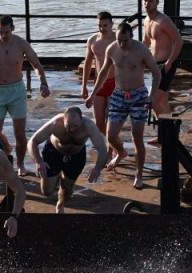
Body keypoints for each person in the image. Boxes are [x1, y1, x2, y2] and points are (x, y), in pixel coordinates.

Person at [85, 22, 161, 190]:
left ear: (131, 37)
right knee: (111, 136)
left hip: (139, 96)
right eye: (119, 40)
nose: (122, 44)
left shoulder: (141, 50)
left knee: (137, 136)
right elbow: (103, 73)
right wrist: (93, 93)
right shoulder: (112, 48)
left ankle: (139, 174)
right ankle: (121, 152)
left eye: (125, 41)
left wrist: (151, 96)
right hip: (119, 94)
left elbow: (157, 73)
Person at [0, 15, 50, 176]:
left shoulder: (21, 44)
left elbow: (37, 65)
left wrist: (43, 83)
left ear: (12, 28)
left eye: (6, 32)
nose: (3, 35)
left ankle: (20, 165)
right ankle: (3, 155)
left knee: (20, 132)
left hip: (16, 91)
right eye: (0, 32)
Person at [27, 106, 108, 213]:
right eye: (69, 126)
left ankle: (60, 205)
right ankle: (57, 176)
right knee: (47, 192)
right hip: (54, 153)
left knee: (67, 190)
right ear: (63, 120)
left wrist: (97, 168)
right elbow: (32, 141)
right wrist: (39, 161)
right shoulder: (56, 123)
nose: (72, 129)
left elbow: (102, 149)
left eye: (76, 126)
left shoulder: (89, 126)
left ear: (81, 120)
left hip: (76, 156)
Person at [82, 12, 116, 150]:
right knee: (99, 123)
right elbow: (87, 63)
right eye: (99, 26)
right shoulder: (92, 40)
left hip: (115, 82)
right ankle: (114, 146)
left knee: (112, 122)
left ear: (112, 24)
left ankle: (111, 149)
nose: (102, 28)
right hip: (98, 84)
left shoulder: (117, 39)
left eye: (105, 25)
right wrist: (84, 86)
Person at [144, 0, 182, 118]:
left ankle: (166, 130)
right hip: (155, 66)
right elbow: (146, 42)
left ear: (157, 2)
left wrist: (169, 62)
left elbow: (179, 41)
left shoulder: (163, 21)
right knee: (163, 101)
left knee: (151, 101)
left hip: (166, 65)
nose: (147, 3)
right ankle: (166, 134)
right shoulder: (146, 20)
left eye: (150, 1)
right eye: (145, 0)